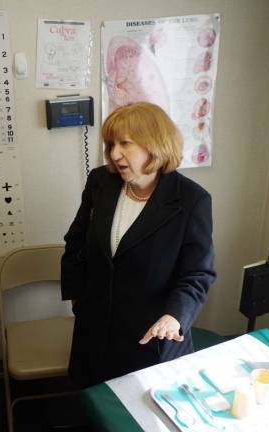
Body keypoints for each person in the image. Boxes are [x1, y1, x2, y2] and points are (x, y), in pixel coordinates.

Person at [61, 102, 216, 387]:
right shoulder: (100, 182)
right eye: (110, 144)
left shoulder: (191, 201)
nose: (114, 153)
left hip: (149, 336)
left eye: (125, 143)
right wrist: (77, 297)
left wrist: (175, 316)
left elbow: (198, 273)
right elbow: (76, 240)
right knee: (93, 402)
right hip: (95, 328)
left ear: (154, 145)